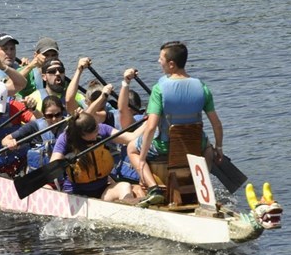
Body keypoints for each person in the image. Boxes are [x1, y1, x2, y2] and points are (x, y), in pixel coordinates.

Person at [127, 41, 224, 207]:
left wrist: (142, 159)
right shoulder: (202, 87)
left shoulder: (159, 89)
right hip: (195, 145)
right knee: (208, 147)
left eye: (161, 59)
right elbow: (217, 124)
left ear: (171, 64)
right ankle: (202, 184)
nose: (158, 61)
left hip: (166, 146)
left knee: (131, 148)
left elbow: (150, 127)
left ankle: (153, 188)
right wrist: (219, 148)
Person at [49, 112, 138, 202]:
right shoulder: (65, 139)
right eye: (94, 132)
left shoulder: (102, 129)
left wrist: (149, 122)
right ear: (82, 134)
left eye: (97, 129)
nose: (97, 132)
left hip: (102, 190)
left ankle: (129, 207)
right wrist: (65, 160)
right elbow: (52, 166)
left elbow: (131, 138)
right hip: (76, 194)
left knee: (124, 186)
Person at [1, 95, 67, 173]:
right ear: (43, 114)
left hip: (65, 176)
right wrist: (9, 143)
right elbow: (5, 140)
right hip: (42, 176)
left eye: (58, 115)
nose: (54, 119)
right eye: (49, 116)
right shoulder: (34, 126)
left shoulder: (70, 125)